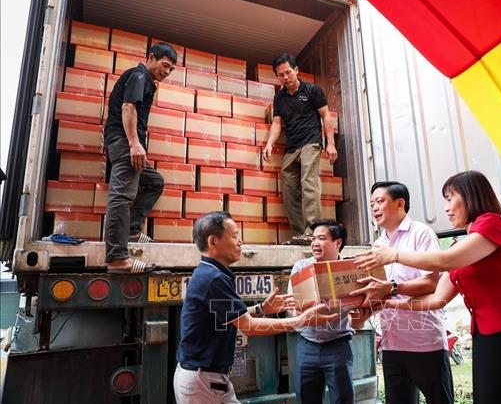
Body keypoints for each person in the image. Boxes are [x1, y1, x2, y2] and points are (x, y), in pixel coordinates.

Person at [355, 172, 501, 404]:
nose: (446, 208)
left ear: (471, 196)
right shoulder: (464, 245)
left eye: (450, 198)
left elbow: (445, 261)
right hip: (486, 337)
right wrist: (387, 302)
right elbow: (437, 299)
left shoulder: (492, 224)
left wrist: (394, 255)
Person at [174, 211, 338, 404]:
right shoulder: (213, 278)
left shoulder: (210, 273)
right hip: (203, 382)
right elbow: (248, 326)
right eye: (234, 236)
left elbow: (230, 317)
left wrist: (261, 309)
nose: (240, 242)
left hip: (205, 379)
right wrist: (300, 321)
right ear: (213, 241)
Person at [350, 181, 454, 404]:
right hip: (392, 344)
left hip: (425, 342)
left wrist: (392, 287)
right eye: (371, 204)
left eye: (380, 201)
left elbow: (431, 282)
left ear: (400, 204)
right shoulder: (378, 245)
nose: (374, 208)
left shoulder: (421, 233)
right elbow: (380, 292)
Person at [104, 42, 177, 273]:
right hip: (126, 143)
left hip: (129, 144)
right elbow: (128, 107)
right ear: (151, 57)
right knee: (121, 196)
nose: (167, 71)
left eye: (171, 69)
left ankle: (133, 230)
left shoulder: (147, 81)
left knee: (154, 182)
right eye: (165, 65)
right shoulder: (139, 76)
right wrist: (134, 144)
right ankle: (117, 258)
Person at [288, 219, 370, 404]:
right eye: (313, 239)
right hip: (307, 345)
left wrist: (359, 320)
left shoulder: (350, 271)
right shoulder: (301, 267)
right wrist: (299, 315)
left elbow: (359, 313)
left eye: (321, 238)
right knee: (306, 398)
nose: (315, 243)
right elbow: (293, 306)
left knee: (343, 399)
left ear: (338, 242)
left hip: (338, 346)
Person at [262, 53, 337, 245]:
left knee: (308, 182)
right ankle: (299, 234)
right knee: (288, 189)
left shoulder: (312, 90)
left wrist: (330, 143)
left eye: (288, 72)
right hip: (291, 147)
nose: (285, 77)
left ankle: (313, 231)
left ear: (296, 70)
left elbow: (326, 115)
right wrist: (269, 143)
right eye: (281, 74)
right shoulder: (279, 97)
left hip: (311, 142)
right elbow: (277, 122)